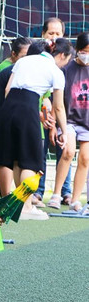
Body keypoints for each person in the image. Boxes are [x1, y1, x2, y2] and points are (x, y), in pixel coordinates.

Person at [0, 38, 74, 220]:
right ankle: (26, 207)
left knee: (15, 159)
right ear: (61, 55)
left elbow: (7, 89)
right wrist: (64, 131)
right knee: (29, 161)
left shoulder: (23, 61)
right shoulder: (55, 71)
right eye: (66, 61)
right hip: (28, 107)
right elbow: (59, 107)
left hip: (9, 106)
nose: (64, 65)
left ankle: (22, 205)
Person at [0, 37, 33, 205]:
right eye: (24, 55)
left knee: (4, 160)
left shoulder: (21, 69)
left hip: (7, 118)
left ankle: (7, 196)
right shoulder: (9, 70)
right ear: (13, 54)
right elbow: (5, 92)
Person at [34, 17, 73, 207]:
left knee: (65, 150)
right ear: (43, 35)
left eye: (58, 34)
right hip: (44, 113)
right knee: (40, 151)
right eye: (51, 33)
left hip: (66, 115)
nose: (54, 37)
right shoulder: (38, 57)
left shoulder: (67, 58)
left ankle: (65, 192)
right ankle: (38, 191)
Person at [50, 32, 89, 213]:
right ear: (77, 50)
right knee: (68, 151)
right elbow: (56, 99)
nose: (86, 54)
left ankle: (75, 199)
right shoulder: (66, 69)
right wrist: (57, 124)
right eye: (83, 51)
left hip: (87, 121)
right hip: (69, 120)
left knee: (85, 159)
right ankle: (56, 194)